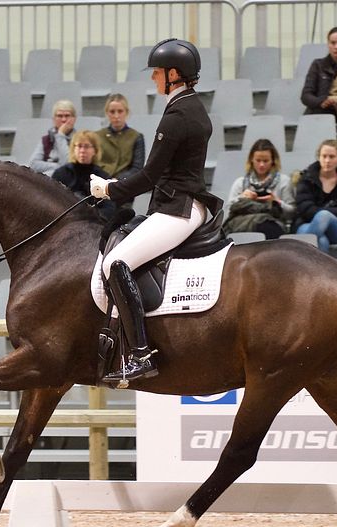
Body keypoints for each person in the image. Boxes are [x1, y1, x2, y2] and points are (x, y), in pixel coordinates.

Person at [89, 38, 223, 383]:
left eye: (158, 73)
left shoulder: (179, 114)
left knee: (116, 263)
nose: (153, 79)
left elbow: (149, 175)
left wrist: (108, 189)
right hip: (181, 204)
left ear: (174, 74)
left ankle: (140, 354)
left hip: (176, 209)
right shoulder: (190, 106)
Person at [223, 139, 296, 239]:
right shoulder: (240, 183)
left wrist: (276, 202)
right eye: (258, 160)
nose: (261, 165)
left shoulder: (284, 181)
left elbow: (292, 212)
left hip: (274, 224)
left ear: (273, 161)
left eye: (266, 161)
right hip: (243, 224)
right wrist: (243, 197)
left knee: (269, 227)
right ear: (251, 160)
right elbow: (228, 210)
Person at [52, 130, 115, 221]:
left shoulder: (102, 177)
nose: (82, 151)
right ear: (73, 149)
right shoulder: (61, 174)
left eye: (86, 147)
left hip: (93, 223)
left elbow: (109, 208)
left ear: (95, 150)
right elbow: (52, 201)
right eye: (79, 146)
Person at [95, 93, 145, 180]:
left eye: (120, 111)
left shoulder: (136, 137)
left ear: (127, 112)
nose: (116, 116)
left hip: (125, 184)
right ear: (107, 113)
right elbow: (94, 163)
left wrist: (118, 180)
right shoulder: (97, 136)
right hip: (101, 183)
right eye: (112, 112)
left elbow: (137, 168)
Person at [29, 99, 77, 176]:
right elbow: (33, 164)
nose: (64, 120)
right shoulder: (46, 139)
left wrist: (60, 135)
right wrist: (57, 166)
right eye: (59, 116)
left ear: (74, 119)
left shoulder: (79, 140)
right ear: (54, 119)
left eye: (67, 116)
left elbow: (69, 164)